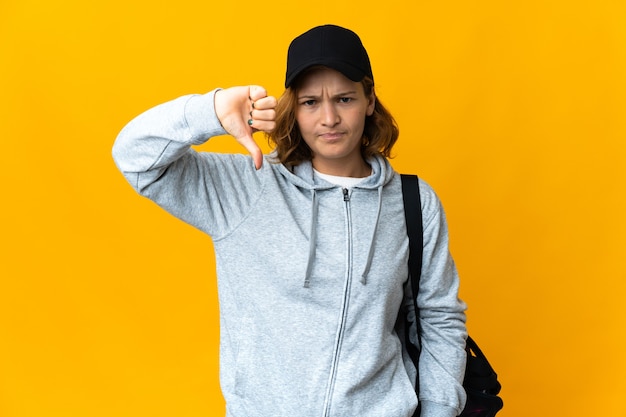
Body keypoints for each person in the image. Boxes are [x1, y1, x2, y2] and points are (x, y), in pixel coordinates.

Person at [113, 24, 467, 417]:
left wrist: (440, 410)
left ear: (369, 100)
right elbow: (134, 158)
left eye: (344, 98)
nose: (329, 118)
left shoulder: (414, 202)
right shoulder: (246, 187)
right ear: (291, 109)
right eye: (311, 102)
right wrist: (211, 110)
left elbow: (438, 316)